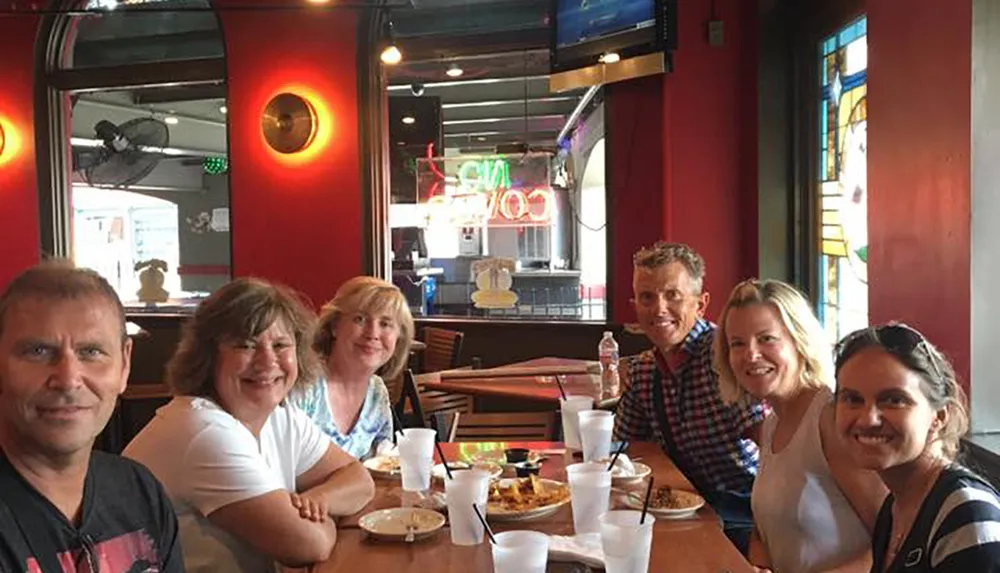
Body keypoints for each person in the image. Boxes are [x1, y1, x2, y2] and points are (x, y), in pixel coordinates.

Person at [124, 277, 376, 572]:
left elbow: (360, 480)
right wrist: (325, 519)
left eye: (281, 345)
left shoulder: (282, 417)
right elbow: (308, 546)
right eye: (246, 345)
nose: (268, 361)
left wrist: (316, 500)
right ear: (209, 356)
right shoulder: (203, 430)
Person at [0, 262, 183, 572]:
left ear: (124, 365)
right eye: (38, 351)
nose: (69, 379)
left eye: (91, 352)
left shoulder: (139, 489)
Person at [715, 279, 886, 573]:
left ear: (799, 340)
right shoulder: (770, 424)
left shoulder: (831, 418)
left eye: (766, 338)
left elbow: (896, 540)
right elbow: (763, 529)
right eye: (737, 343)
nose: (751, 354)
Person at [613, 241, 769, 554]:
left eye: (672, 295)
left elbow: (775, 448)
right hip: (684, 511)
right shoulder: (644, 371)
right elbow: (621, 451)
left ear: (700, 303)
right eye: (647, 297)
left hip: (747, 516)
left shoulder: (727, 358)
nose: (658, 308)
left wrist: (765, 541)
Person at [835, 323, 1000, 572]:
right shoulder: (895, 508)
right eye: (853, 399)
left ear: (939, 416)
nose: (868, 419)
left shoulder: (967, 517)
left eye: (893, 400)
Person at [287, 276, 413, 460]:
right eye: (360, 319)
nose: (373, 334)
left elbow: (383, 465)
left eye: (385, 324)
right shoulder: (305, 385)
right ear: (334, 326)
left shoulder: (377, 391)